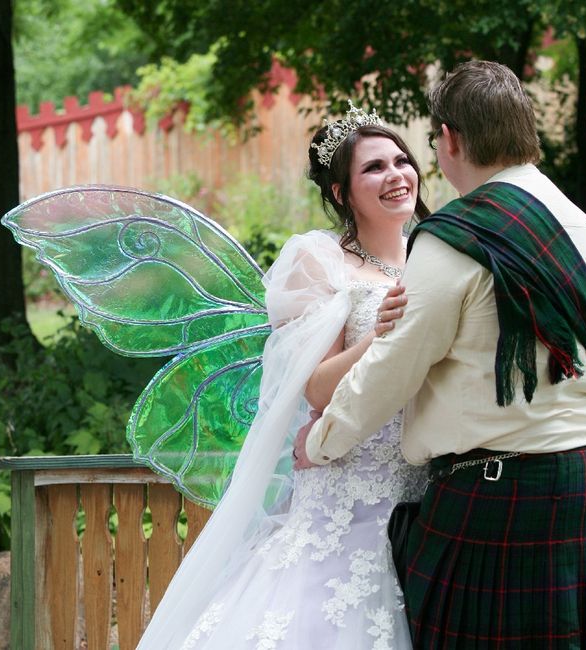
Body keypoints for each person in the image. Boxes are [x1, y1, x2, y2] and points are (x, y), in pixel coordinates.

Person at [294, 60, 586, 648]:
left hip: (494, 493)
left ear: (450, 139)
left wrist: (320, 441)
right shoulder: (582, 229)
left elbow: (397, 363)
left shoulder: (455, 235)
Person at [136, 103, 430, 649]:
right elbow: (316, 387)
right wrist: (379, 337)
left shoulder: (437, 255)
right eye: (373, 168)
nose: (395, 176)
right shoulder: (320, 261)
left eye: (401, 161)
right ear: (342, 193)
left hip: (422, 489)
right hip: (345, 486)